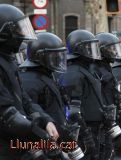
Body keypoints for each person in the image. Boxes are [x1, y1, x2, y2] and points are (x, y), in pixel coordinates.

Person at [0, 4, 58, 159]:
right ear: (4, 33)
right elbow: (6, 113)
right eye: (18, 29)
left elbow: (23, 98)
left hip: (18, 141)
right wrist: (41, 137)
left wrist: (46, 121)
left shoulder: (8, 60)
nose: (21, 33)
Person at [19, 32, 84, 160]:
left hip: (56, 139)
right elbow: (29, 117)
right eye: (54, 56)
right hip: (44, 144)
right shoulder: (29, 81)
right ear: (41, 57)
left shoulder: (46, 75)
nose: (58, 60)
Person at [64, 30, 121, 160]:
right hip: (85, 129)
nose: (93, 51)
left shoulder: (86, 70)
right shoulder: (74, 73)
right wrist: (86, 135)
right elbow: (73, 111)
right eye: (89, 47)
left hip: (96, 127)